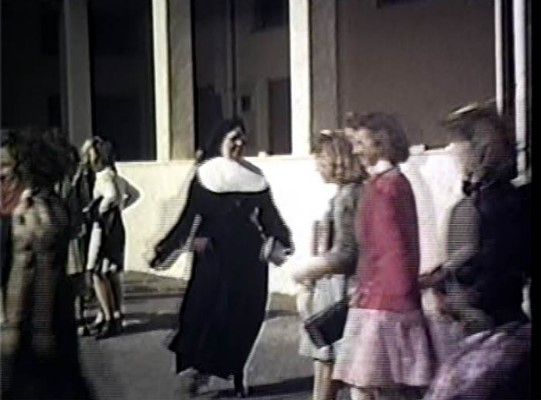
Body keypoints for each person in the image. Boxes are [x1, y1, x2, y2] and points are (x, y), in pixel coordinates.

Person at [150, 118, 293, 397]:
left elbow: (269, 217)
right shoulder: (206, 174)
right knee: (207, 314)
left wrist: (281, 240)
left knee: (245, 315)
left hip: (249, 258)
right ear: (220, 141)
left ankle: (238, 371)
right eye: (233, 138)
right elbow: (190, 216)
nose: (239, 143)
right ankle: (200, 372)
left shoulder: (256, 176)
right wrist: (170, 247)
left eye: (242, 138)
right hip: (214, 257)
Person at [421, 102, 531, 399]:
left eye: (457, 143)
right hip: (489, 322)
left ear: (478, 147)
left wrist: (461, 295)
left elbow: (494, 262)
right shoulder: (488, 197)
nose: (452, 151)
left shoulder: (497, 204)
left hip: (493, 324)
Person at [333, 113, 434, 400]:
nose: (355, 150)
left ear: (381, 144)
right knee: (374, 385)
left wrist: (389, 297)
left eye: (361, 143)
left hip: (385, 304)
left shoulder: (386, 187)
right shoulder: (386, 184)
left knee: (371, 385)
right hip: (378, 298)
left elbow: (394, 250)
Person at [1, 128, 92, 399]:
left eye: (6, 168)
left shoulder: (36, 211)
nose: (1, 177)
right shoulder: (24, 209)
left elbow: (39, 275)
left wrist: (18, 333)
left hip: (39, 337)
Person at [291, 129, 366, 400]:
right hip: (350, 287)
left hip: (338, 288)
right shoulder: (357, 192)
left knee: (326, 362)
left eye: (320, 159)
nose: (317, 166)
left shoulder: (347, 197)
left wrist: (304, 272)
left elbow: (347, 252)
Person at [84, 137, 126, 339]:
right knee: (110, 271)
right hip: (115, 226)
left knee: (96, 271)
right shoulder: (115, 175)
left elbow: (109, 194)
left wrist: (99, 209)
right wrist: (120, 207)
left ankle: (108, 317)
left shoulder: (103, 176)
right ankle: (112, 314)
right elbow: (134, 194)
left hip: (102, 228)